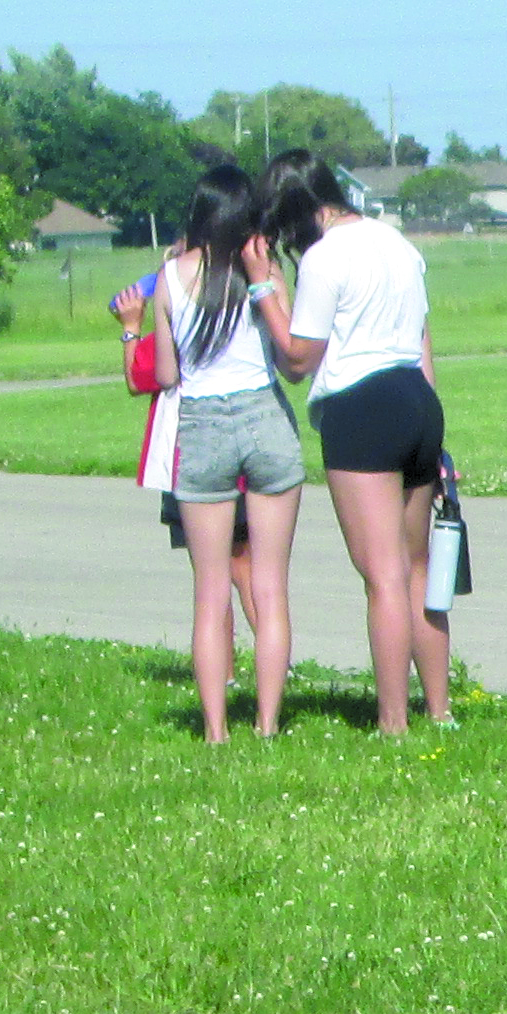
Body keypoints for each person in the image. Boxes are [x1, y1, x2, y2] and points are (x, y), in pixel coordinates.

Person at [260, 148, 451, 733]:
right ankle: (438, 712)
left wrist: (261, 290)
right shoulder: (397, 243)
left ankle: (393, 722)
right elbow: (422, 340)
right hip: (419, 402)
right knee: (418, 568)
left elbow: (298, 359)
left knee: (383, 575)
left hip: (361, 408)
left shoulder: (323, 258)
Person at [150, 174, 301, 743]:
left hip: (202, 422)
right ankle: (267, 723)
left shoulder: (168, 278)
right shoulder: (263, 273)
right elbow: (291, 364)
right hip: (264, 415)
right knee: (270, 586)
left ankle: (215, 730)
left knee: (210, 591)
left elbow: (168, 376)